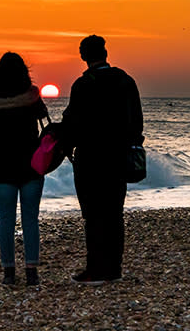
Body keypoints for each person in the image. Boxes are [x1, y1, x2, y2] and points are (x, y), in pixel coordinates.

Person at [60, 35, 143, 285]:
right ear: (105, 53)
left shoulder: (83, 84)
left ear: (84, 56)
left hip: (91, 158)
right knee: (114, 214)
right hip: (118, 157)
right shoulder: (126, 81)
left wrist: (64, 143)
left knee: (94, 215)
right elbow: (136, 119)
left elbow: (73, 122)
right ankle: (114, 269)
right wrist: (133, 143)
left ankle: (95, 269)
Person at [0, 52, 49, 286]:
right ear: (24, 72)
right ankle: (31, 272)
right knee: (31, 219)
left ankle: (9, 273)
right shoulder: (32, 96)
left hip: (3, 165)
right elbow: (43, 115)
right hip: (31, 164)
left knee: (6, 219)